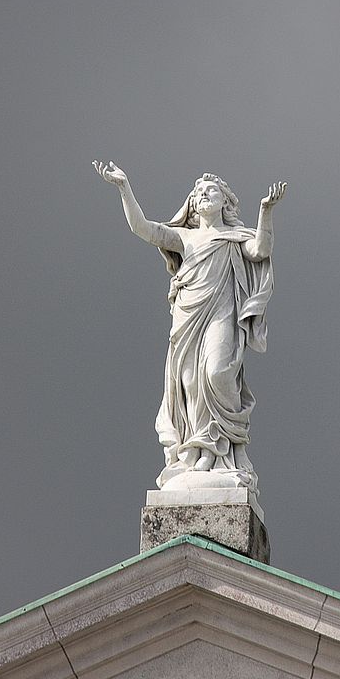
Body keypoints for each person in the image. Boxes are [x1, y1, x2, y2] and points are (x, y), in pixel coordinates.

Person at [93, 161, 286, 494]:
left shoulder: (235, 237)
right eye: (197, 192)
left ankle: (223, 451)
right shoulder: (185, 237)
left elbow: (260, 249)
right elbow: (143, 228)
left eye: (209, 190)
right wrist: (124, 187)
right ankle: (199, 453)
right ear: (193, 205)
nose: (202, 195)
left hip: (221, 315)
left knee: (215, 373)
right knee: (190, 384)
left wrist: (265, 211)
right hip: (187, 318)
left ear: (225, 202)